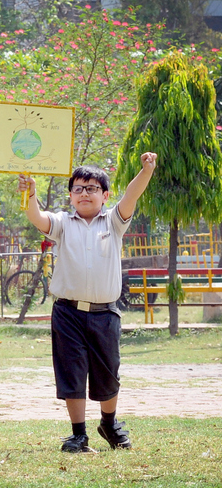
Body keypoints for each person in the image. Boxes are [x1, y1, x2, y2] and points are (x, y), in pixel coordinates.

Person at [19, 154, 157, 452]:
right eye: (78, 188)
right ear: (70, 195)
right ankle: (78, 434)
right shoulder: (62, 223)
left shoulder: (114, 221)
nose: (84, 193)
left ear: (105, 195)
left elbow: (132, 194)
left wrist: (146, 171)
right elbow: (36, 217)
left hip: (104, 313)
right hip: (67, 312)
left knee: (108, 372)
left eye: (92, 188)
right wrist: (30, 193)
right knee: (73, 371)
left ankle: (109, 424)